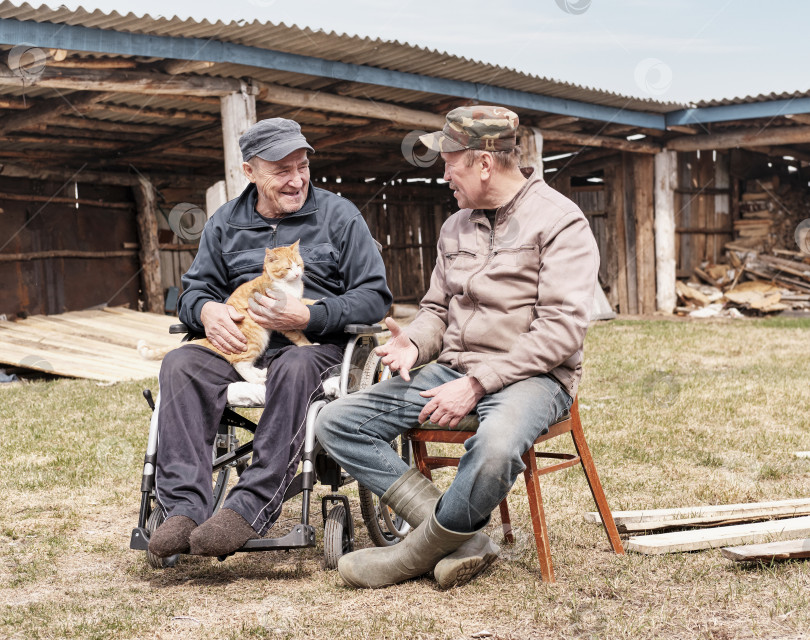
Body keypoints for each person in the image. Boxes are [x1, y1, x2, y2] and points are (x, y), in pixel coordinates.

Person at [316, 105, 599, 589]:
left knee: (494, 449)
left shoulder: (561, 222)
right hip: (453, 370)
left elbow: (560, 332)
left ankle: (410, 555)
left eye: (450, 162)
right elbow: (437, 310)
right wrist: (416, 344)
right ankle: (459, 539)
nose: (444, 175)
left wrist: (477, 384)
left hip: (535, 379)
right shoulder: (456, 226)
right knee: (335, 422)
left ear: (484, 164)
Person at [148, 118, 392, 559]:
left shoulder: (339, 216)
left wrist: (312, 314)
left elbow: (375, 298)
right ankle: (182, 509)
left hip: (315, 348)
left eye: (302, 166)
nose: (296, 179)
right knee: (180, 364)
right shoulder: (225, 224)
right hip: (243, 345)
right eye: (282, 170)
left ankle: (247, 508)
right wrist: (206, 310)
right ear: (250, 172)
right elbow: (194, 292)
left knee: (293, 366)